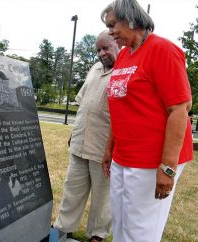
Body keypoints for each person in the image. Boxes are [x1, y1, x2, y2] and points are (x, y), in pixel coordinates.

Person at [100, 1, 193, 242]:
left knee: (141, 230)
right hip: (124, 156)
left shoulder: (163, 50)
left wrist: (167, 168)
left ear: (130, 19)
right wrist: (110, 148)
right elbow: (119, 107)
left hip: (152, 161)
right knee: (121, 222)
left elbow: (179, 110)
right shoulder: (123, 56)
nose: (110, 31)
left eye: (112, 25)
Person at [53, 31, 119, 242]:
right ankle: (63, 227)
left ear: (118, 43)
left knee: (103, 197)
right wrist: (74, 132)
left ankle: (97, 235)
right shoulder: (94, 68)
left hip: (103, 148)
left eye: (106, 48)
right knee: (72, 189)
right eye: (98, 50)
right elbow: (83, 103)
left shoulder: (124, 72)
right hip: (80, 142)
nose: (101, 53)